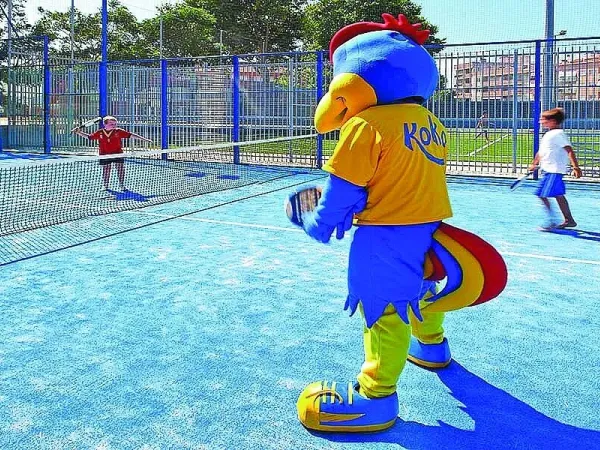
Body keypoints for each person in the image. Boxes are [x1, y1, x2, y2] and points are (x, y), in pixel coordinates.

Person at [293, 14, 507, 433]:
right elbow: (398, 176)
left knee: (383, 312)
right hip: (427, 227)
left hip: (385, 235)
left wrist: (313, 220)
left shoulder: (365, 124)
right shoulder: (431, 124)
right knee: (422, 291)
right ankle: (431, 347)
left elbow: (343, 193)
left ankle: (376, 398)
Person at [529, 107, 582, 230]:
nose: (540, 121)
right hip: (550, 171)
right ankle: (569, 220)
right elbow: (541, 152)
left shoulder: (558, 134)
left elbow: (569, 149)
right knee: (558, 195)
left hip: (553, 171)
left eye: (544, 119)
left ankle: (552, 221)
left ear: (553, 121)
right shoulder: (549, 134)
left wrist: (576, 167)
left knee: (542, 194)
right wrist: (534, 163)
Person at [73, 116, 153, 191]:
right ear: (105, 124)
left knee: (120, 169)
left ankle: (122, 185)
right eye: (111, 124)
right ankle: (105, 185)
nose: (114, 125)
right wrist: (79, 132)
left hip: (118, 154)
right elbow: (89, 137)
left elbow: (131, 135)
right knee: (106, 169)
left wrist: (144, 139)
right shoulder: (100, 132)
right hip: (104, 154)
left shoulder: (118, 131)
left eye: (115, 124)